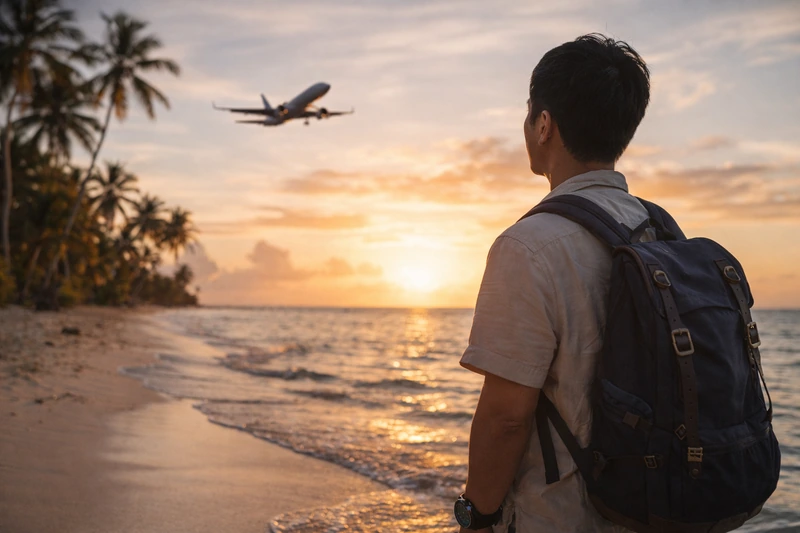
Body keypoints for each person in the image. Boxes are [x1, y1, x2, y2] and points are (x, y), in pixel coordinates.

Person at [456, 34, 651, 532]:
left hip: (564, 517)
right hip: (657, 510)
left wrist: (476, 517)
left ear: (544, 125)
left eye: (528, 115)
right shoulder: (662, 232)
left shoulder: (527, 247)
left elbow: (505, 418)